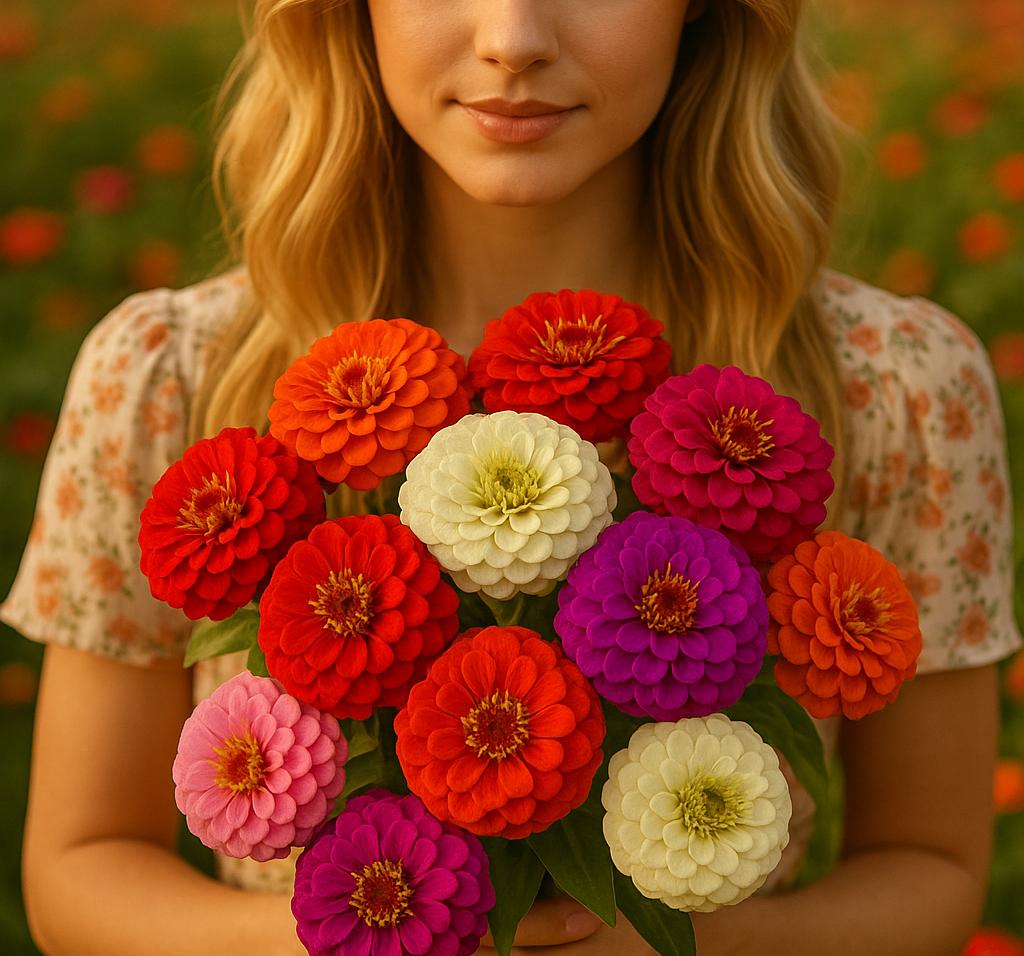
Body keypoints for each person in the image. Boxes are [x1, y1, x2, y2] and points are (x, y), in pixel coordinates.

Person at [3, 0, 1020, 954]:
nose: (512, 37)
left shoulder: (891, 387)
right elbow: (78, 862)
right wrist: (373, 933)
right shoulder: (174, 376)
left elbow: (929, 867)